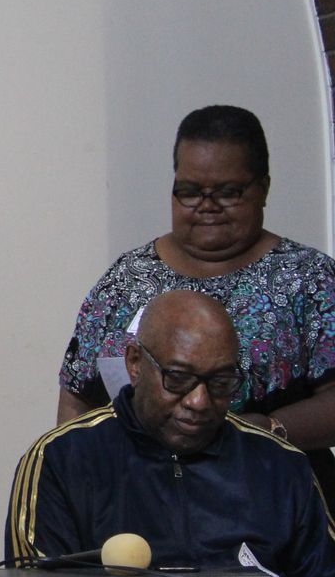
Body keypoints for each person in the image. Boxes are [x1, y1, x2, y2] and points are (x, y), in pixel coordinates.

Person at [9, 290, 335, 577]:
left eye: (221, 382)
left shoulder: (278, 463)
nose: (199, 401)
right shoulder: (61, 461)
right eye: (178, 378)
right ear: (135, 363)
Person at [56, 106, 335, 453]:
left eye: (228, 192)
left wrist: (266, 431)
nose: (207, 206)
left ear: (263, 189)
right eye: (189, 190)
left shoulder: (308, 279)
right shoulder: (127, 278)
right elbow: (77, 395)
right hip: (139, 497)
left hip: (271, 494)